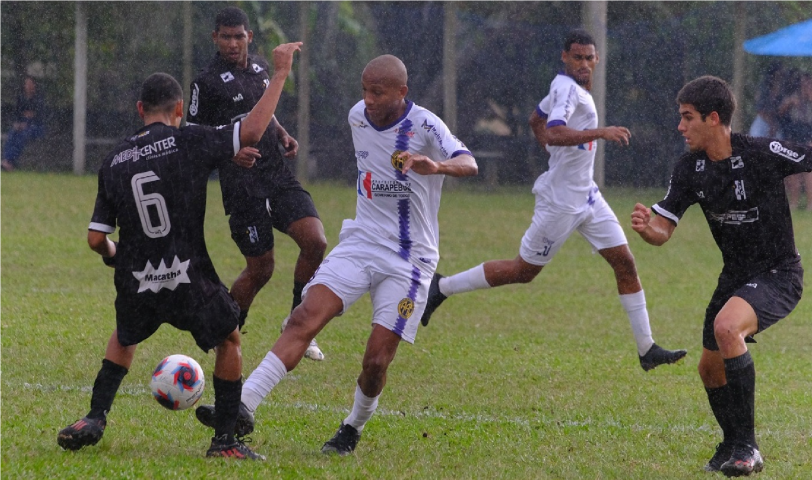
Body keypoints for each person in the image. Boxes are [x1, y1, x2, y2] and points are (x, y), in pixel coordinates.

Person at [193, 54, 478, 454]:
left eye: (377, 92)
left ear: (402, 92)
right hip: (361, 243)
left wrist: (438, 166)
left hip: (411, 261)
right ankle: (244, 405)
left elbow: (470, 162)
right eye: (364, 90)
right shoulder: (357, 116)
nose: (368, 99)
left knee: (376, 362)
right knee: (304, 317)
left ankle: (352, 427)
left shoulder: (426, 124)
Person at [56, 42, 303, 460]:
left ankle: (95, 417)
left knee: (125, 334)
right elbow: (253, 131)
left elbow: (96, 238)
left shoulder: (114, 159)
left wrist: (114, 256)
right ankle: (224, 442)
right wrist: (278, 75)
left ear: (139, 109)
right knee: (229, 338)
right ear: (177, 110)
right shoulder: (187, 140)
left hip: (137, 276)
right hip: (187, 274)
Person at [419, 29, 687, 372]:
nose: (584, 64)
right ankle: (441, 287)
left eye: (590, 58)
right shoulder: (565, 88)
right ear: (565, 57)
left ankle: (647, 349)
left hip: (588, 196)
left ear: (597, 59)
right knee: (522, 271)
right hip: (561, 202)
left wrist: (545, 142)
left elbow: (537, 119)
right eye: (577, 57)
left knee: (625, 263)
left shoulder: (571, 90)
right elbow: (556, 131)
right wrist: (599, 133)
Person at [631, 75, 810, 476]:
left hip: (779, 273)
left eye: (687, 117)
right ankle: (731, 441)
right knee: (709, 369)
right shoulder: (690, 168)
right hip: (736, 276)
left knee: (728, 328)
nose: (680, 127)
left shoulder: (763, 152)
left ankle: (749, 448)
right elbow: (665, 227)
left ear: (714, 118)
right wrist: (648, 230)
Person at [187, 6, 327, 361]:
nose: (233, 44)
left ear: (249, 36)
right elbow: (191, 133)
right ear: (215, 38)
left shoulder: (263, 68)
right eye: (225, 37)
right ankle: (225, 331)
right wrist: (228, 153)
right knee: (261, 269)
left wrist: (280, 132)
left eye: (239, 36)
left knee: (315, 241)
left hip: (276, 175)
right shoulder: (205, 82)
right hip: (241, 185)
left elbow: (263, 105)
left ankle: (298, 322)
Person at [777, 70, 812, 210]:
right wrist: (790, 103)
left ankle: (810, 204)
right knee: (793, 170)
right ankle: (793, 202)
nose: (806, 86)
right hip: (793, 137)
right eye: (803, 83)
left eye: (808, 83)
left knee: (808, 171)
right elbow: (780, 113)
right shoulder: (793, 97)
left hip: (809, 138)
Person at [2, 76, 46, 172]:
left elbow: (39, 115)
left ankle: (9, 161)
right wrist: (17, 124)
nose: (28, 86)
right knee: (12, 134)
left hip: (36, 127)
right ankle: (6, 160)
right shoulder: (21, 98)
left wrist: (30, 119)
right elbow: (17, 114)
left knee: (22, 136)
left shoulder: (39, 98)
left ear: (34, 85)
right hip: (22, 124)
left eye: (30, 83)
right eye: (26, 83)